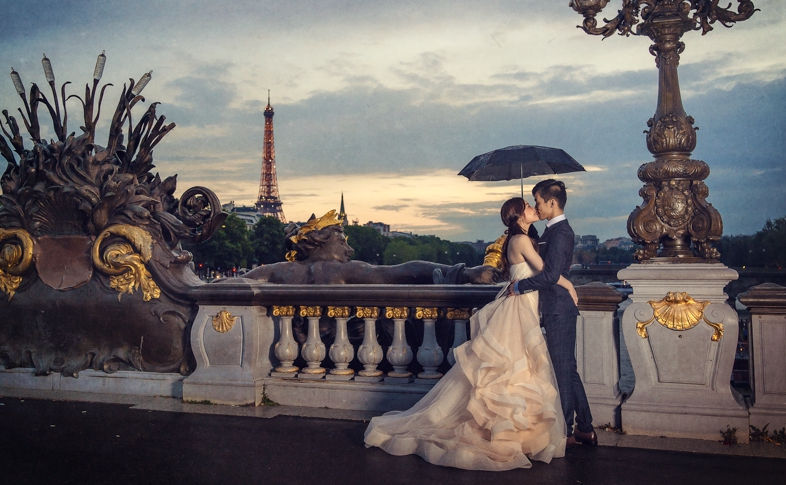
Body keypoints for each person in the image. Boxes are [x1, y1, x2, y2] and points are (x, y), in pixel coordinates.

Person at [363, 197, 577, 470]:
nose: (534, 208)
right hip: (519, 310)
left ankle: (507, 432)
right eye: (528, 205)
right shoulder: (520, 241)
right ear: (519, 215)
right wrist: (569, 286)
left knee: (508, 372)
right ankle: (510, 434)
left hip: (520, 307)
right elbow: (547, 272)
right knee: (513, 371)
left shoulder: (519, 239)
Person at [515, 179, 597, 447]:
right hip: (556, 308)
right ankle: (584, 428)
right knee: (568, 370)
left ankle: (565, 434)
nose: (536, 206)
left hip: (559, 309)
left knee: (562, 372)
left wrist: (519, 286)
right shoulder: (551, 231)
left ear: (552, 202)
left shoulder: (561, 232)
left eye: (538, 201)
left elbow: (550, 275)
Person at [242, 210, 498, 285]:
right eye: (342, 240)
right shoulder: (341, 271)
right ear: (321, 241)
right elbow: (406, 270)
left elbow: (236, 285)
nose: (349, 249)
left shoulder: (279, 271)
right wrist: (467, 272)